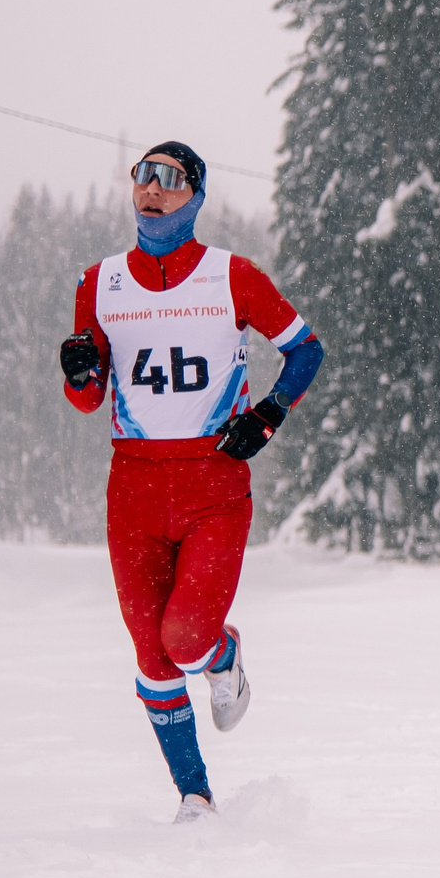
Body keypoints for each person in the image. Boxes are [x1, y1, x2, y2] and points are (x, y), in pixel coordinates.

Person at [58, 143, 324, 821]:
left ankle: (223, 652)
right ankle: (194, 796)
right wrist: (80, 370)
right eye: (142, 175)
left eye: (170, 178)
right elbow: (88, 400)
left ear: (197, 196)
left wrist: (267, 415)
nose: (152, 188)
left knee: (186, 637)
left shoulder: (232, 277)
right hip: (134, 489)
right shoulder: (99, 283)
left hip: (213, 484)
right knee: (151, 652)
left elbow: (305, 347)